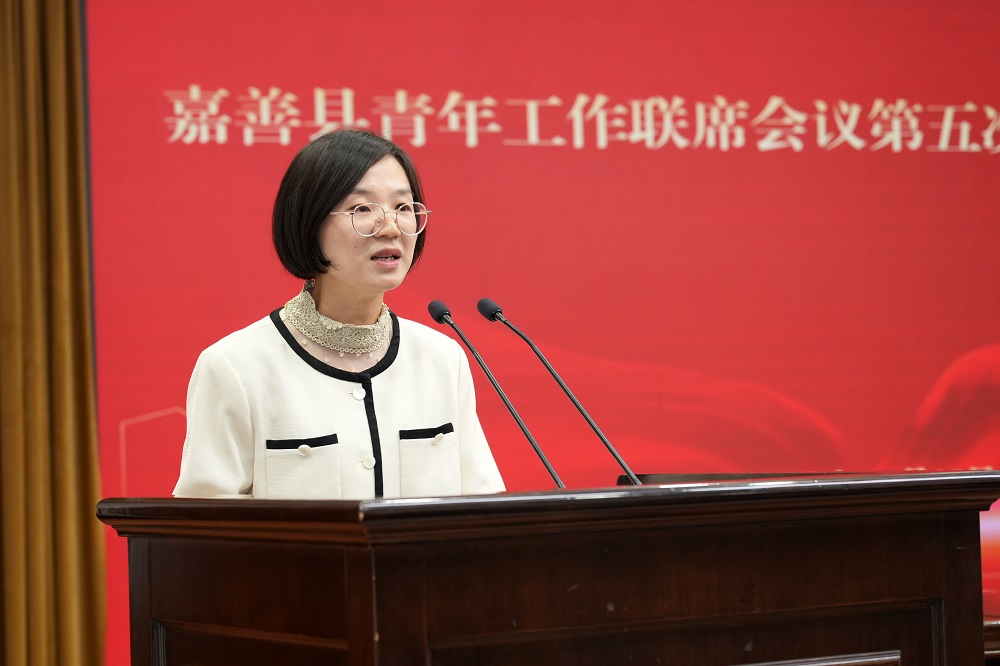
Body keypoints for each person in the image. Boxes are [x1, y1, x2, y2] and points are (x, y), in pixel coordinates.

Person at [173, 129, 505, 499]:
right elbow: (205, 525)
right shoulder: (236, 368)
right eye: (362, 209)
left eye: (403, 207)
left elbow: (481, 507)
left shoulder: (442, 359)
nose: (391, 227)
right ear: (309, 222)